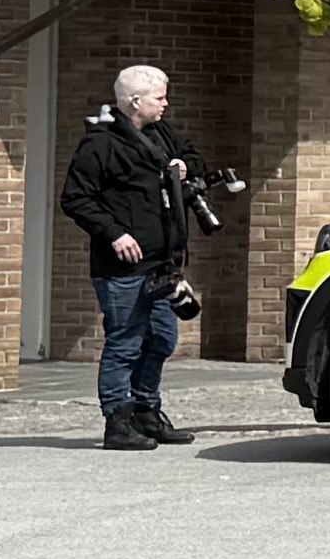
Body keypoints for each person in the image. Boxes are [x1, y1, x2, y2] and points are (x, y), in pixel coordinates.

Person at [61, 62, 217, 451]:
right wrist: (114, 233)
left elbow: (194, 158)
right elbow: (76, 198)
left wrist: (184, 165)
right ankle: (119, 420)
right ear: (134, 101)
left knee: (162, 338)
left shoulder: (161, 133)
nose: (165, 104)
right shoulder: (101, 144)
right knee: (126, 341)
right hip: (123, 267)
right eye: (159, 97)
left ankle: (147, 411)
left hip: (163, 262)